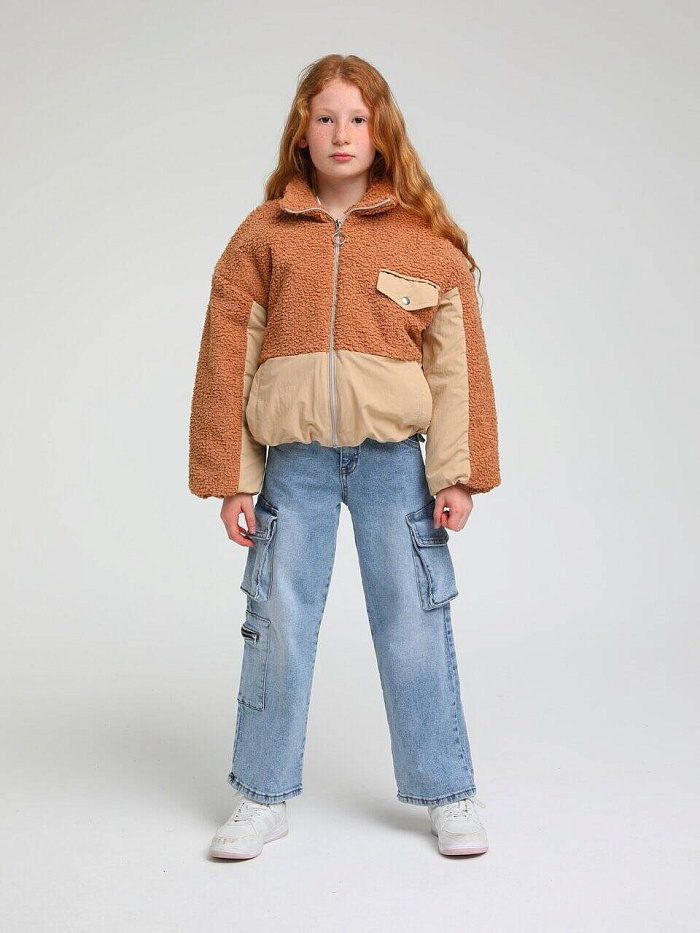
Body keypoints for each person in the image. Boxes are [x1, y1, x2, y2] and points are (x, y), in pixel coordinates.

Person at [189, 54, 501, 860]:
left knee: (414, 620)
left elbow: (457, 366)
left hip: (394, 463)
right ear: (303, 129)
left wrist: (458, 473)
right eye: (326, 117)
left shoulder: (423, 241)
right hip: (294, 464)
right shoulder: (263, 236)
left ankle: (448, 791)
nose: (341, 133)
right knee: (278, 620)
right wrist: (232, 480)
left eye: (357, 119)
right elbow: (228, 357)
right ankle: (262, 795)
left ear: (380, 130)